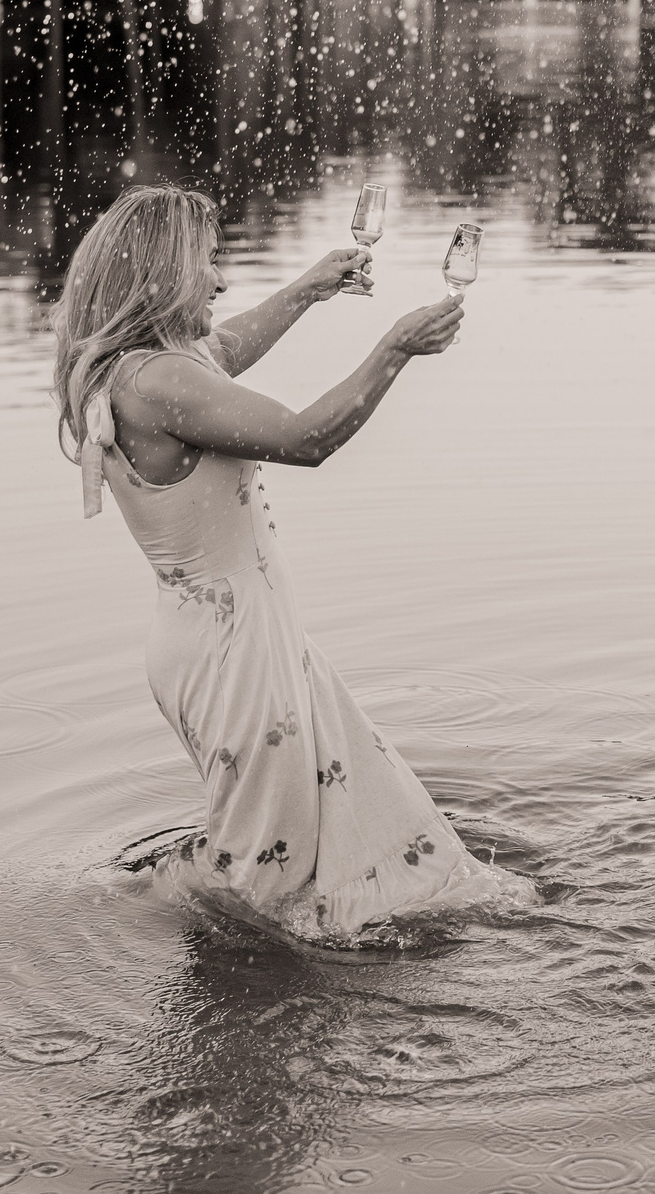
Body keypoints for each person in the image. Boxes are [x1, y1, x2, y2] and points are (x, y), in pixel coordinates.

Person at [52, 184, 527, 942]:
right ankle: (137, 928)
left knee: (321, 836)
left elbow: (226, 347)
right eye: (209, 262)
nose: (218, 279)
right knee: (262, 881)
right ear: (167, 271)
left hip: (225, 637)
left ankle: (274, 963)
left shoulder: (134, 369)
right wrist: (395, 348)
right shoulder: (162, 381)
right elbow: (308, 437)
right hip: (233, 653)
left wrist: (309, 288)